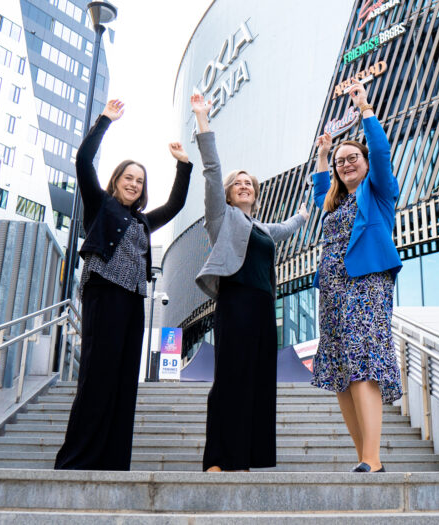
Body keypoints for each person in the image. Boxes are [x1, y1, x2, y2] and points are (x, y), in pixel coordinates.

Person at [54, 99, 192, 471]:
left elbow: (175, 205)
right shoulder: (100, 204)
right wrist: (105, 121)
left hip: (133, 301)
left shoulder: (144, 221)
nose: (134, 184)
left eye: (140, 181)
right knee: (98, 374)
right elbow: (83, 161)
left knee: (123, 380)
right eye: (128, 178)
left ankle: (113, 461)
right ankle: (77, 460)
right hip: (103, 293)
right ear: (116, 180)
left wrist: (183, 165)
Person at [190, 93, 309, 472]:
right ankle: (218, 459)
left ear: (256, 194)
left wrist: (305, 212)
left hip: (262, 307)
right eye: (237, 183)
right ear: (227, 193)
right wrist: (202, 119)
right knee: (231, 377)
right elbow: (212, 169)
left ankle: (249, 457)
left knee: (259, 381)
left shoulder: (261, 228)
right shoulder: (221, 217)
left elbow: (287, 227)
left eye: (249, 183)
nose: (244, 186)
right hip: (236, 301)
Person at [309, 80, 402, 473]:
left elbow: (380, 152)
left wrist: (365, 109)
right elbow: (320, 193)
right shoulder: (336, 202)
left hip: (366, 286)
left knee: (362, 363)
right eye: (340, 162)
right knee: (341, 373)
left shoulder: (378, 192)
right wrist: (323, 155)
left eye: (352, 158)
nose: (345, 164)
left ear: (364, 164)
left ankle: (373, 458)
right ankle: (364, 456)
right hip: (332, 292)